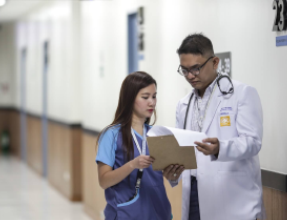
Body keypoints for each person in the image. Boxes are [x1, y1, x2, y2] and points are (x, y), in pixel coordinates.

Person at [163, 34, 265, 220]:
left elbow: (253, 142)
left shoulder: (241, 94)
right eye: (184, 70)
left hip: (233, 197)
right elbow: (181, 151)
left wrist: (221, 148)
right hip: (194, 194)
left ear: (215, 62)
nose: (190, 76)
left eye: (196, 68)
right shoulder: (183, 104)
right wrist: (173, 173)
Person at [96, 71, 172, 220]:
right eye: (145, 97)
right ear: (130, 99)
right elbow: (104, 181)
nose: (152, 102)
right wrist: (132, 165)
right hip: (127, 213)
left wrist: (173, 172)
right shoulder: (111, 135)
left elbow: (159, 177)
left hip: (158, 212)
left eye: (154, 96)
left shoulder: (157, 134)